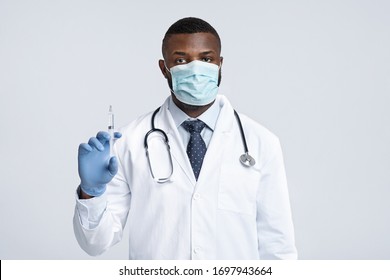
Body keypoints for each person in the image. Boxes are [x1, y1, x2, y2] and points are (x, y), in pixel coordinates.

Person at [73, 17, 297, 260]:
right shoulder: (128, 142)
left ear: (220, 64)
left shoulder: (261, 142)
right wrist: (91, 192)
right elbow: (95, 244)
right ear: (163, 67)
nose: (195, 69)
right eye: (181, 60)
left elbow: (278, 247)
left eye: (206, 59)